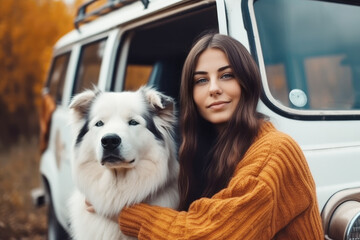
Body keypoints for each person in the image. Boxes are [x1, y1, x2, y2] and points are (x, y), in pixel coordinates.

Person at [89, 33, 324, 239]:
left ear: (247, 83)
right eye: (201, 80)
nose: (213, 88)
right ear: (191, 94)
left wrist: (122, 212)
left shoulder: (275, 152)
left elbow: (211, 234)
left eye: (226, 75)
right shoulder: (201, 149)